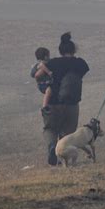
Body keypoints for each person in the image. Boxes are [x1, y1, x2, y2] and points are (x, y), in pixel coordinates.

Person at [35, 32, 89, 166]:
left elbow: (38, 75)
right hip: (72, 104)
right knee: (68, 133)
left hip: (53, 102)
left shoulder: (53, 63)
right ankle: (63, 153)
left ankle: (52, 147)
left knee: (50, 129)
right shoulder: (81, 64)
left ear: (60, 50)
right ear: (74, 49)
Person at [30, 47, 53, 116]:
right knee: (49, 91)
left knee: (49, 92)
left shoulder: (38, 64)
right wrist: (49, 72)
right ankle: (44, 107)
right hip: (43, 84)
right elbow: (41, 66)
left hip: (43, 83)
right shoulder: (42, 63)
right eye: (49, 55)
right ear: (46, 57)